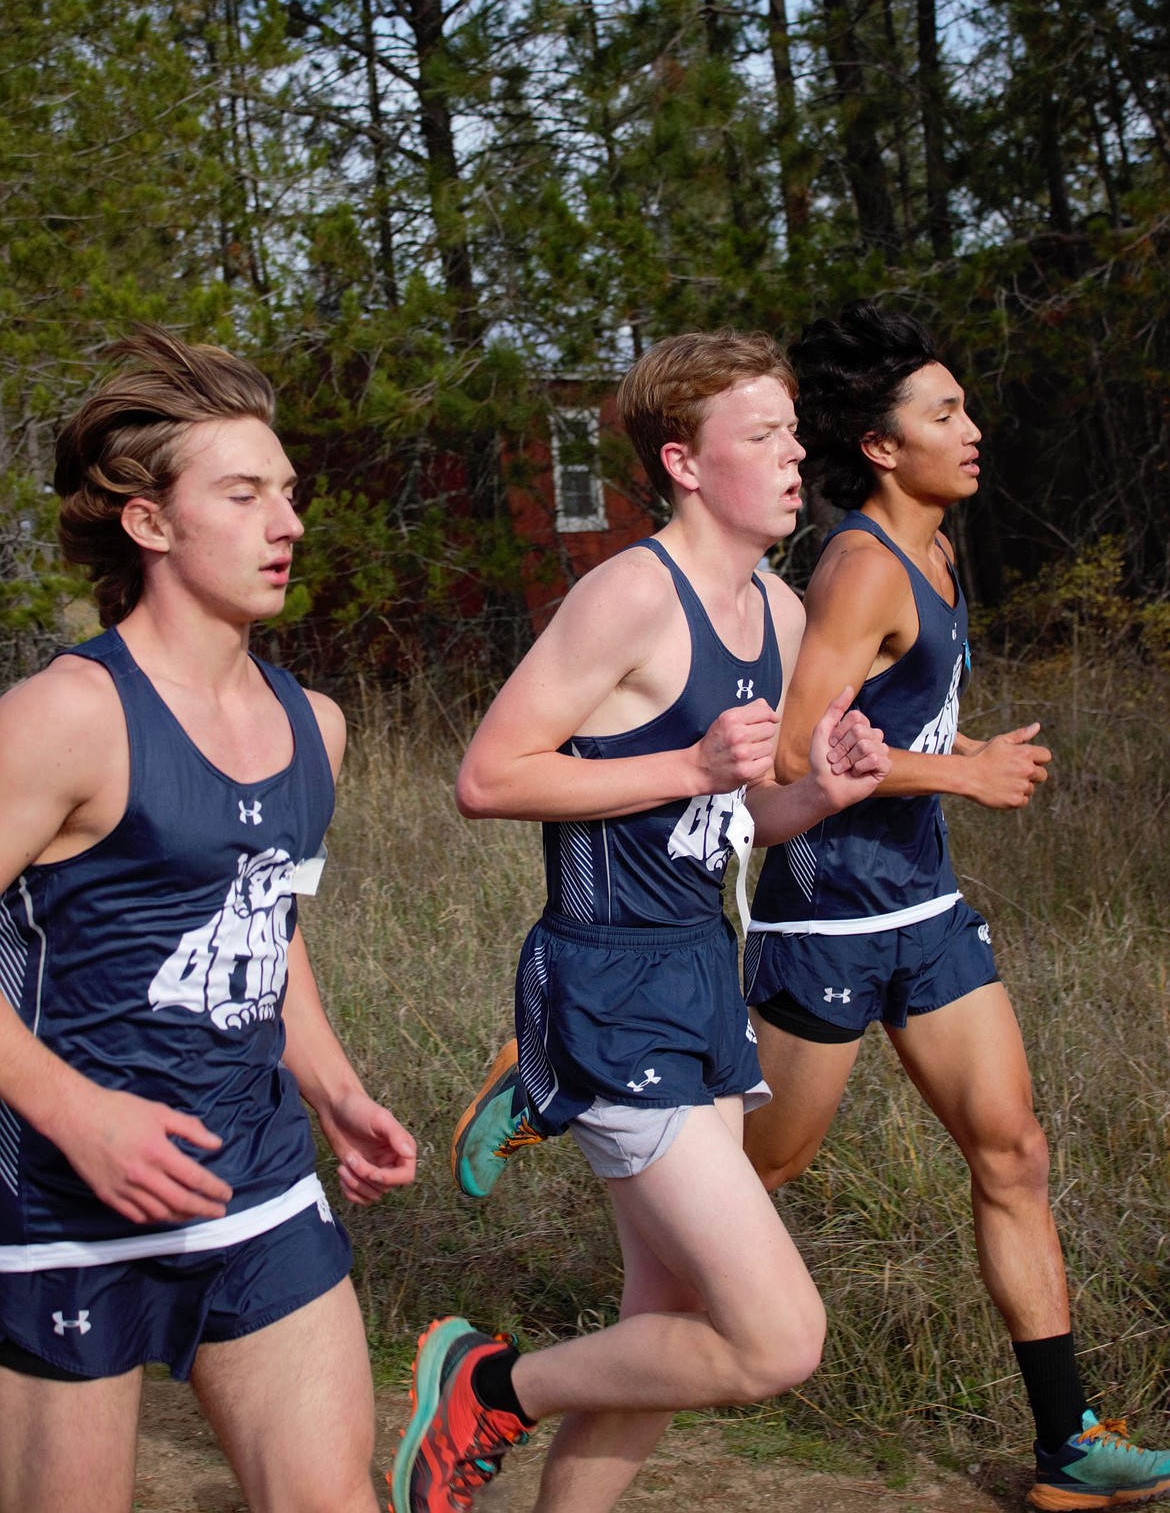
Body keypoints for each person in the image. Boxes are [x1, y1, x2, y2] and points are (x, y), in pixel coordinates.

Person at [389, 329, 890, 1513]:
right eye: (760, 435)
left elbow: (741, 815)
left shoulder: (772, 608)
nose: (792, 456)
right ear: (683, 460)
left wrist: (821, 792)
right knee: (775, 1337)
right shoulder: (627, 592)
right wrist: (685, 761)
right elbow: (490, 776)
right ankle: (490, 1380)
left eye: (793, 433)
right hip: (608, 983)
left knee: (661, 1323)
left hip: (704, 976)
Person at [740, 299, 1170, 1513]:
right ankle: (570, 1073)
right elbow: (787, 753)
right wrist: (965, 773)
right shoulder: (864, 562)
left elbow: (887, 724)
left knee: (1013, 1150)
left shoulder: (935, 551)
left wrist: (954, 746)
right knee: (758, 1165)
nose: (972, 428)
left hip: (924, 908)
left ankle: (1070, 1440)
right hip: (827, 916)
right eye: (945, 413)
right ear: (882, 446)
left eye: (965, 405)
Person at [0, 328, 417, 1513]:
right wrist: (79, 1115)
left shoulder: (316, 725)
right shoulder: (66, 716)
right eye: (244, 494)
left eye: (289, 493)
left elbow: (261, 929)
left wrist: (333, 1088)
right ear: (151, 522)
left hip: (261, 1175)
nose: (287, 521)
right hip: (64, 1206)